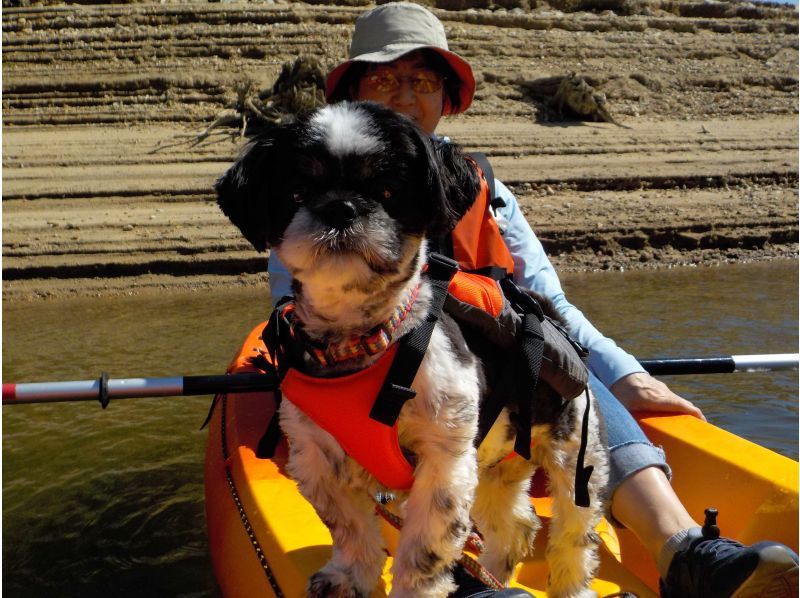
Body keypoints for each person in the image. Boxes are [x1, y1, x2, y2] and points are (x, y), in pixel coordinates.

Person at [266, 3, 799, 597]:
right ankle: (456, 579)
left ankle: (683, 549)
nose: (404, 96)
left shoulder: (485, 190)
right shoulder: (312, 196)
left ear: (446, 98)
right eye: (384, 80)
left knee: (570, 372)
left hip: (497, 385)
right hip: (379, 391)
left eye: (421, 81)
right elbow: (309, 318)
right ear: (352, 94)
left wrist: (626, 375)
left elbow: (549, 304)